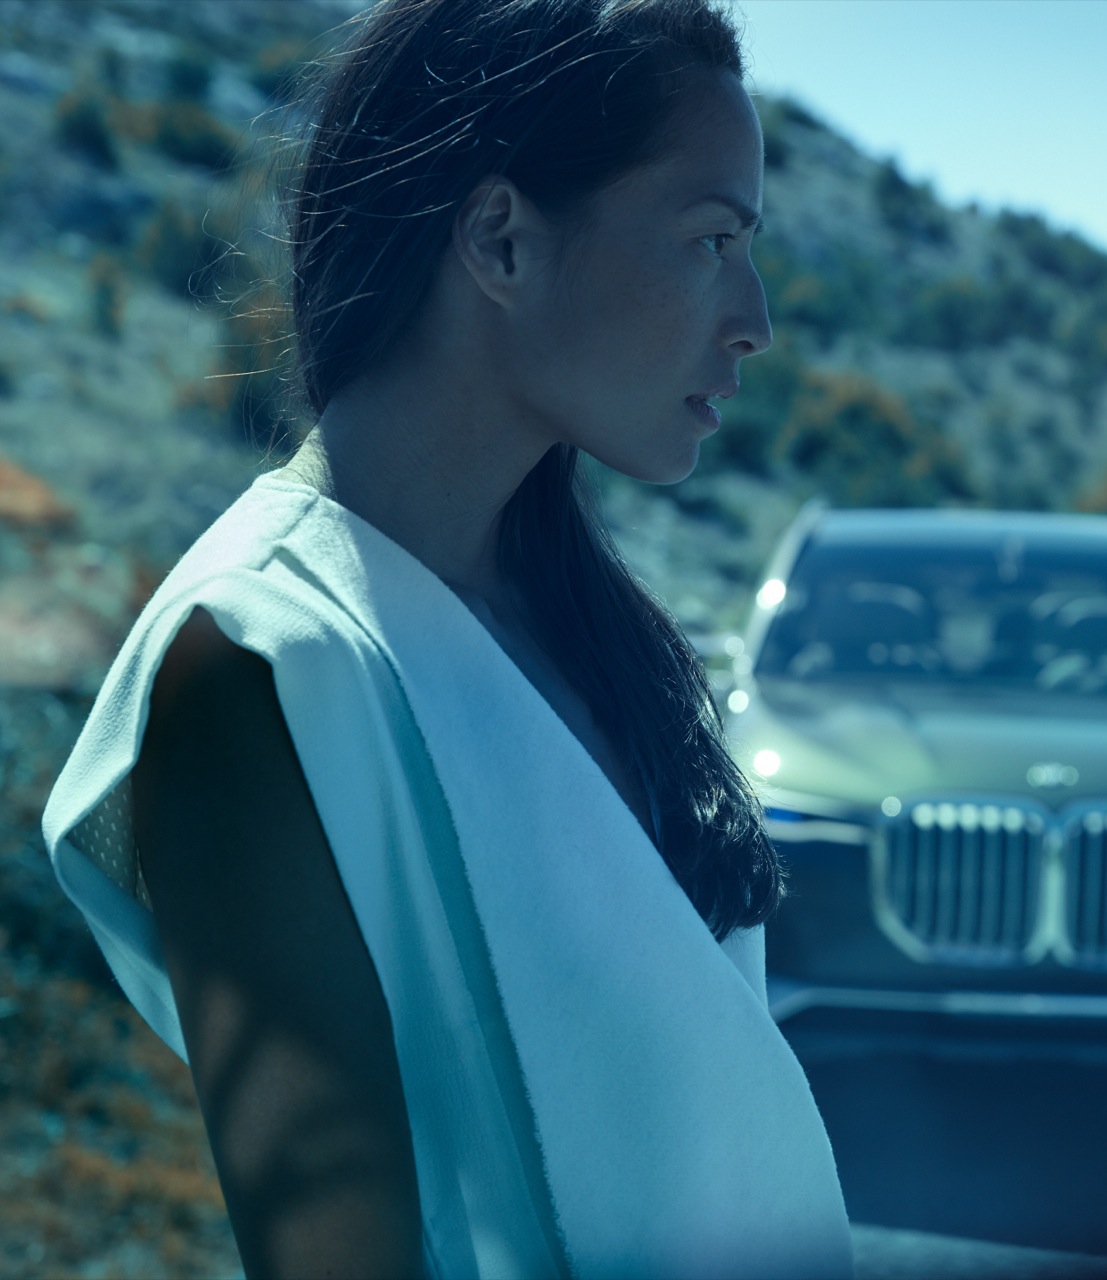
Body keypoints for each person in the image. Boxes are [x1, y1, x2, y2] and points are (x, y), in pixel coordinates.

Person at [40, 0, 852, 1275]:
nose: (754, 317)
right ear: (500, 239)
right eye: (711, 240)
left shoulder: (593, 631)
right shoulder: (255, 666)